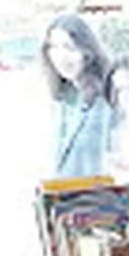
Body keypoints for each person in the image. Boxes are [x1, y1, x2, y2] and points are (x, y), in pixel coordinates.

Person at [41, 13, 113, 178]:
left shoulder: (106, 98)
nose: (61, 57)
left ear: (87, 51)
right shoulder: (63, 98)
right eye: (54, 47)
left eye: (70, 48)